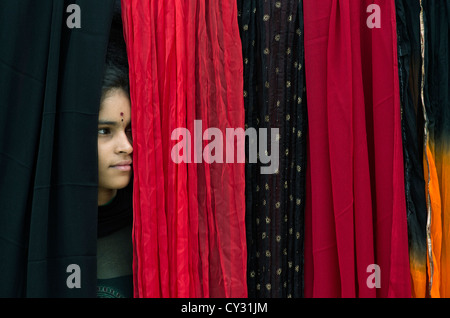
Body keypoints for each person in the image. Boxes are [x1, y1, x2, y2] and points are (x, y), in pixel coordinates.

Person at [95, 9, 134, 298]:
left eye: (129, 130)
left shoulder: (146, 225)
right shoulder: (45, 227)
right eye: (104, 131)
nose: (126, 147)